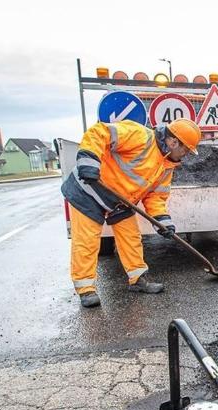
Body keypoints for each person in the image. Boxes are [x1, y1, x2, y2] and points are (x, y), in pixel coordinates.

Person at [61, 118, 201, 308]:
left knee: (131, 237)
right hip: (89, 188)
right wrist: (89, 162)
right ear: (173, 142)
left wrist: (163, 222)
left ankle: (137, 279)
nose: (185, 155)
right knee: (87, 240)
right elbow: (99, 132)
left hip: (120, 200)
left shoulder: (167, 166)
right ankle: (86, 289)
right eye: (185, 150)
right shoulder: (140, 136)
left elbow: (156, 197)